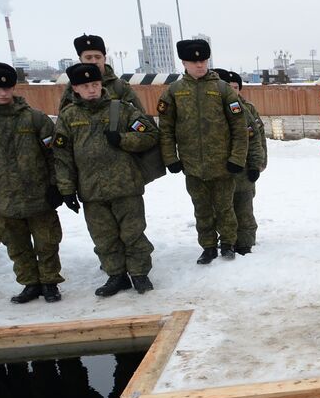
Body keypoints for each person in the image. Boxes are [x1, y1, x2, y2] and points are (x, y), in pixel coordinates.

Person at [0, 62, 65, 304]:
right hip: (2, 197)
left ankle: (50, 282)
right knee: (16, 245)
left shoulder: (36, 119)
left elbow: (54, 156)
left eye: (7, 87)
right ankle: (30, 283)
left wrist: (55, 185)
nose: (3, 93)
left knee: (47, 242)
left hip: (38, 195)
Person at [54, 62, 160, 296]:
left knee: (133, 233)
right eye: (85, 86)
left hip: (126, 186)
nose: (91, 89)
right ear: (75, 89)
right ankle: (117, 276)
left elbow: (151, 135)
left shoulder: (120, 110)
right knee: (104, 237)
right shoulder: (68, 116)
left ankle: (140, 274)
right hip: (91, 190)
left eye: (95, 84)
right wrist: (66, 189)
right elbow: (62, 156)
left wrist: (123, 139)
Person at [158, 39, 249, 264]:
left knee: (225, 208)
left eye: (203, 60)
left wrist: (237, 158)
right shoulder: (175, 91)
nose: (199, 65)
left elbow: (239, 127)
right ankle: (208, 246)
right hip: (192, 165)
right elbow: (166, 128)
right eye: (194, 61)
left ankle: (227, 243)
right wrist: (171, 158)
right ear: (184, 63)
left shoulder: (222, 89)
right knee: (202, 209)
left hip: (222, 164)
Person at [213, 68, 268, 253]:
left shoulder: (247, 110)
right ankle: (227, 240)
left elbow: (258, 138)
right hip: (220, 169)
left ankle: (245, 243)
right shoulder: (213, 111)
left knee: (244, 209)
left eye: (236, 87)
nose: (233, 90)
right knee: (222, 209)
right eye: (228, 87)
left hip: (244, 170)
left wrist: (258, 164)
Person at [60, 33, 145, 113]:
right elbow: (63, 118)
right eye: (88, 58)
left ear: (104, 59)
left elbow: (140, 116)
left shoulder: (120, 86)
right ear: (81, 60)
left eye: (98, 57)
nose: (94, 61)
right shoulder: (73, 87)